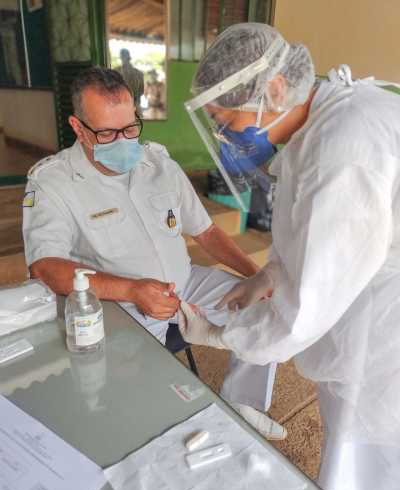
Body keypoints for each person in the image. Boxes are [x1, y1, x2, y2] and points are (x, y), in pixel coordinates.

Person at [179, 22, 400, 490]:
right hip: (370, 288)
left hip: (388, 320)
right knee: (348, 427)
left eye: (225, 119)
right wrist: (269, 274)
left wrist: (222, 334)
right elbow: (304, 228)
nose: (224, 135)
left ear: (273, 89)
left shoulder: (345, 146)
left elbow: (307, 307)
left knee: (370, 452)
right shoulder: (316, 125)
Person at [22, 66, 286, 440]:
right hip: (118, 306)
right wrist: (131, 290)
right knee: (135, 408)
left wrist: (256, 276)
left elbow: (206, 232)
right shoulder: (53, 183)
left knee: (266, 311)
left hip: (186, 283)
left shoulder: (158, 163)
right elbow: (46, 267)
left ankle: (242, 405)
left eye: (130, 128)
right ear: (78, 128)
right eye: (108, 133)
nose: (123, 141)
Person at [117, 48, 144, 116]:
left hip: (124, 105)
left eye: (123, 56)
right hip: (132, 105)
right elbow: (141, 91)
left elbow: (141, 91)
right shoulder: (139, 73)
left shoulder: (116, 72)